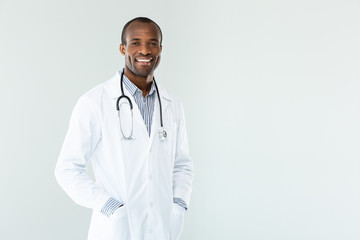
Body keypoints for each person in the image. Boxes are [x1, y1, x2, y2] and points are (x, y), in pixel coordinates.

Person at [55, 17, 193, 240]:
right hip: (114, 230)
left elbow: (182, 164)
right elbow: (67, 169)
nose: (145, 50)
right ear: (123, 48)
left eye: (153, 43)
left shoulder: (172, 104)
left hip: (162, 229)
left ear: (160, 49)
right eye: (136, 42)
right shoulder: (95, 102)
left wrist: (178, 204)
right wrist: (111, 207)